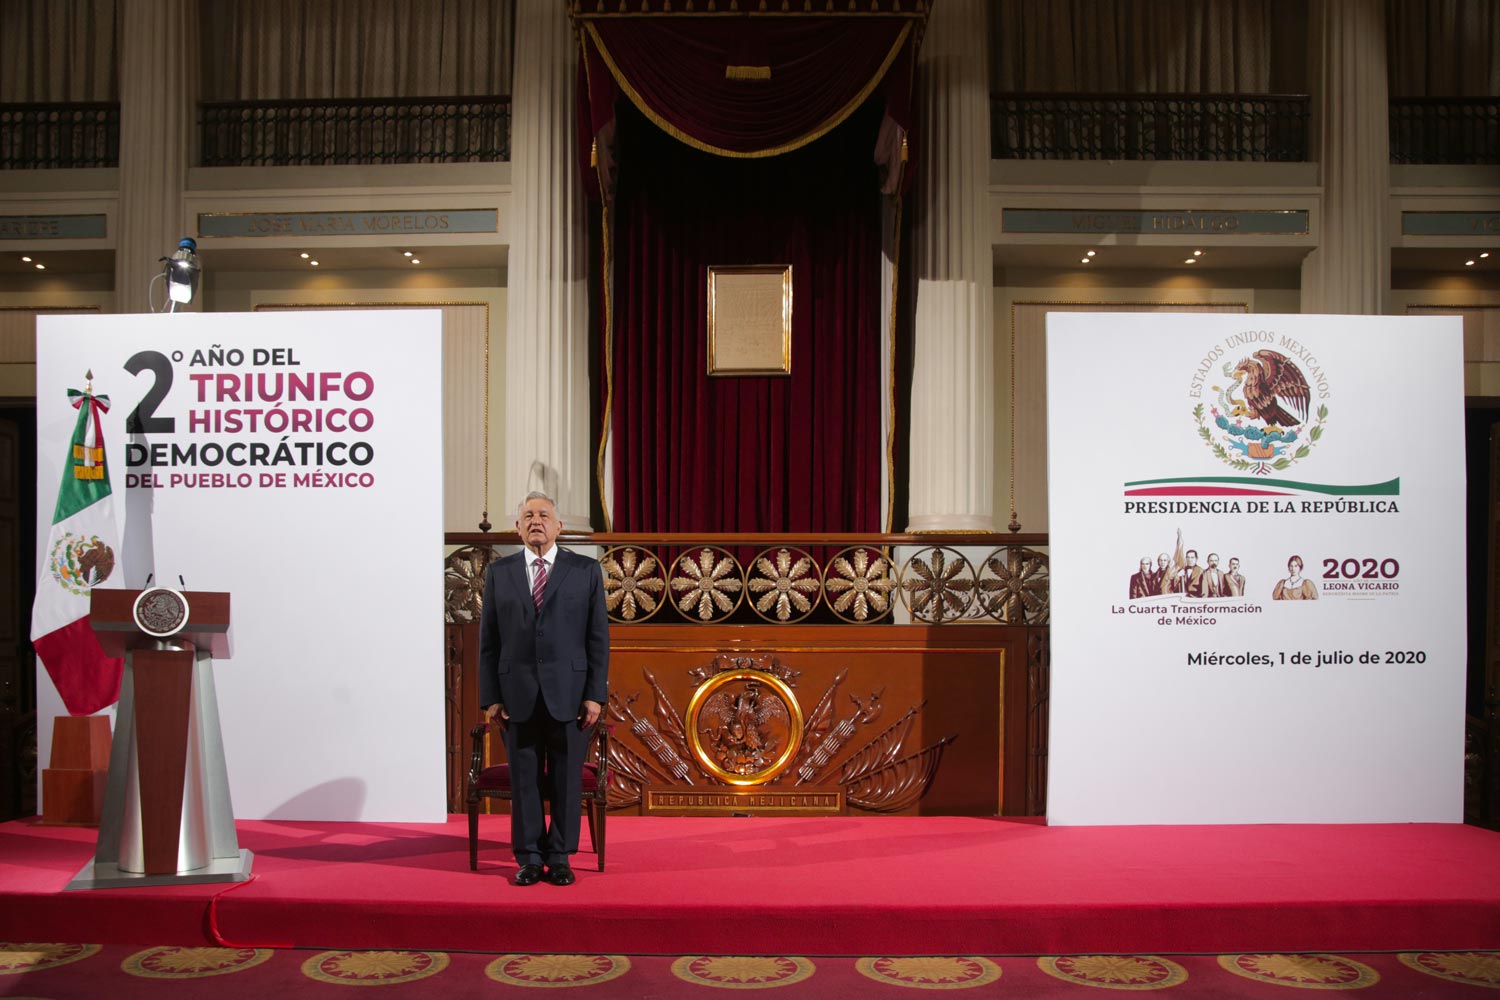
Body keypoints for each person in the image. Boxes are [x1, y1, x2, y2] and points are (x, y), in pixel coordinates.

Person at [479, 491, 609, 886]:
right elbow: (489, 641)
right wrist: (491, 697)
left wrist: (594, 695)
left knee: (567, 781)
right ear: (517, 527)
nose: (536, 521)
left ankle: (561, 857)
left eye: (544, 515)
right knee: (525, 780)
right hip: (516, 694)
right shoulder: (499, 573)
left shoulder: (584, 570)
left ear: (559, 526)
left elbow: (597, 637)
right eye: (528, 515)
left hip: (570, 694)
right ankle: (530, 858)